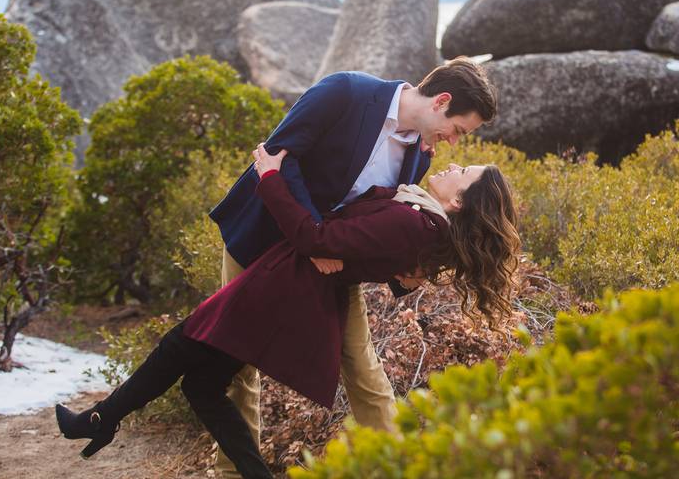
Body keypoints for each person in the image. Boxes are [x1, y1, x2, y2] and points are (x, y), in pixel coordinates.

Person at [56, 146, 520, 479]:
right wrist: (397, 275)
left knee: (179, 348)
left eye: (465, 171)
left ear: (459, 201)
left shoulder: (414, 222)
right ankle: (102, 422)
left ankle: (99, 420)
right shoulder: (422, 224)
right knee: (202, 384)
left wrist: (271, 178)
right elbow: (382, 258)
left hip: (283, 291)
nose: (455, 164)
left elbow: (317, 239)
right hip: (287, 289)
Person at [208, 57, 497, 477]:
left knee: (361, 365)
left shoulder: (419, 157)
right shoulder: (345, 92)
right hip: (261, 240)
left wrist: (407, 274)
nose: (453, 142)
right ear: (442, 101)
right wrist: (314, 237)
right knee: (236, 363)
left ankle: (397, 468)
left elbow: (382, 229)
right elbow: (278, 157)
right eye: (459, 129)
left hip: (334, 265)